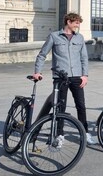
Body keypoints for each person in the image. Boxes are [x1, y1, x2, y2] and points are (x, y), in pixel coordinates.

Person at [33, 12, 97, 145]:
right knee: (59, 107)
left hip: (77, 77)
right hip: (60, 77)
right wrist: (37, 72)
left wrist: (85, 75)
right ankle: (59, 135)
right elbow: (42, 55)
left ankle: (85, 133)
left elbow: (84, 58)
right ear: (69, 22)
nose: (78, 26)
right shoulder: (54, 36)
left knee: (81, 106)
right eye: (76, 23)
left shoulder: (79, 38)